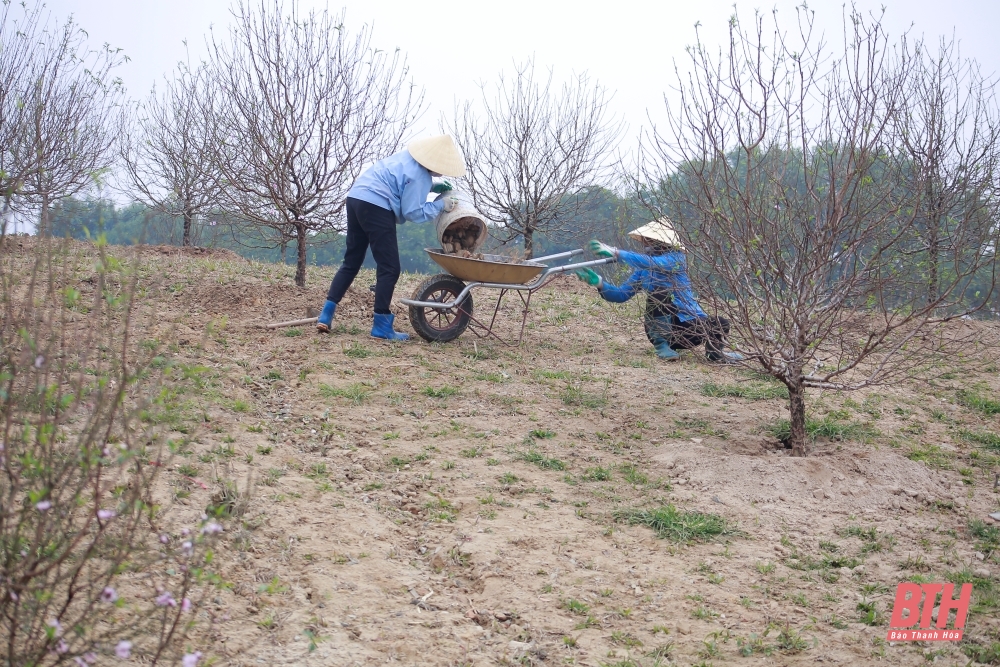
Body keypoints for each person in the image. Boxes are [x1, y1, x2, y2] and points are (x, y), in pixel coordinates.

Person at [316, 135, 466, 340]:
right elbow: (412, 212)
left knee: (351, 261)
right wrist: (441, 205)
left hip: (356, 198)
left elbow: (401, 182)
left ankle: (326, 314)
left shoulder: (405, 157)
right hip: (377, 205)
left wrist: (432, 188)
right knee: (390, 267)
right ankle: (381, 325)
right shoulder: (421, 176)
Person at [575, 218, 744, 363]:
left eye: (650, 241)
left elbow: (653, 263)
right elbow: (621, 295)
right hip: (662, 330)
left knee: (720, 323)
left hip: (690, 327)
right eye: (645, 242)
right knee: (659, 292)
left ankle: (715, 354)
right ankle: (662, 346)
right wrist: (600, 284)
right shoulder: (643, 271)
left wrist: (617, 253)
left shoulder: (677, 259)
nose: (647, 246)